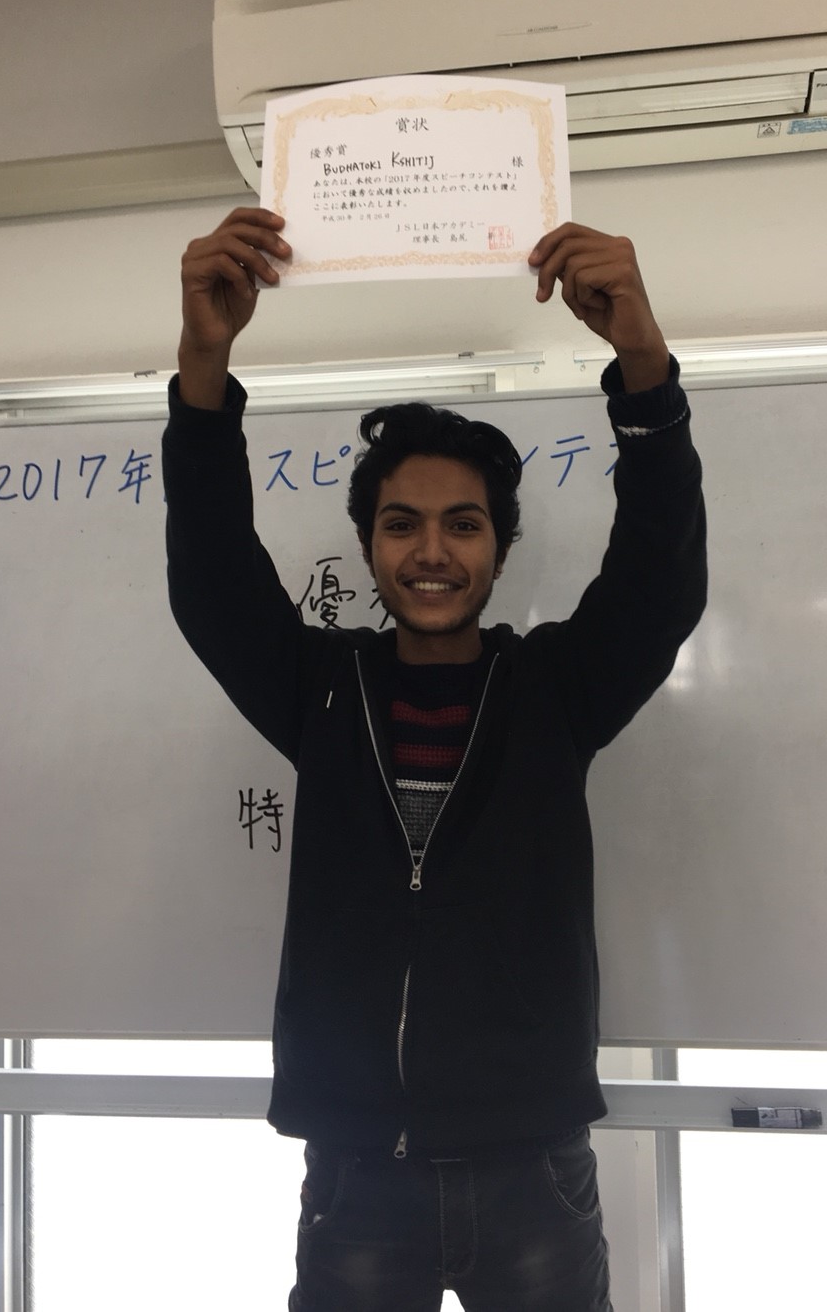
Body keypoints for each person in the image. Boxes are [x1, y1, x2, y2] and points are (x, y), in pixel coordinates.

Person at [162, 207, 707, 1312]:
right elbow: (213, 577)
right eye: (401, 523)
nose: (431, 551)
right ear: (369, 546)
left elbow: (659, 580)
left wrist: (643, 367)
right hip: (360, 1173)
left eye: (463, 524)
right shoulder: (320, 691)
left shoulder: (554, 692)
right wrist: (203, 365)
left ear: (499, 547)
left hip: (533, 1167)